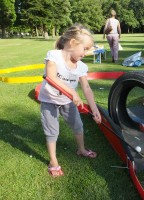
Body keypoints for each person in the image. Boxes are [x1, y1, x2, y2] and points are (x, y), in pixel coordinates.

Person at [38, 24, 102, 177]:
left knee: (78, 126)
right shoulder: (53, 55)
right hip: (49, 101)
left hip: (67, 102)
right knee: (52, 131)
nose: (86, 53)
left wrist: (95, 110)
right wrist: (72, 91)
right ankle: (53, 161)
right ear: (73, 43)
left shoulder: (81, 66)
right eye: (85, 49)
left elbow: (86, 88)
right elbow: (50, 77)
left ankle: (81, 149)